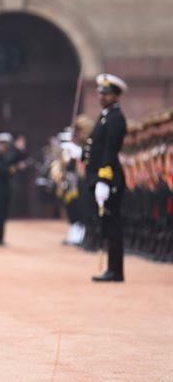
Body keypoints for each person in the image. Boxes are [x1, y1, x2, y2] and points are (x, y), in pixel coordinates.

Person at [84, 73, 128, 282]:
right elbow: (96, 148)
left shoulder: (115, 118)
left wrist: (104, 179)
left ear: (116, 96)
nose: (102, 97)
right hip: (103, 175)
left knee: (113, 224)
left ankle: (116, 270)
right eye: (101, 93)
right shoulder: (106, 117)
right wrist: (80, 153)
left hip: (109, 178)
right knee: (108, 223)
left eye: (107, 94)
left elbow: (110, 151)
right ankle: (112, 268)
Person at [0, 132, 27, 247]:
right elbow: (3, 170)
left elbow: (13, 160)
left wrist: (19, 150)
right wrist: (16, 168)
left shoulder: (2, 156)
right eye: (3, 145)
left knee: (3, 215)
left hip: (5, 189)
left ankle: (0, 238)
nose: (5, 147)